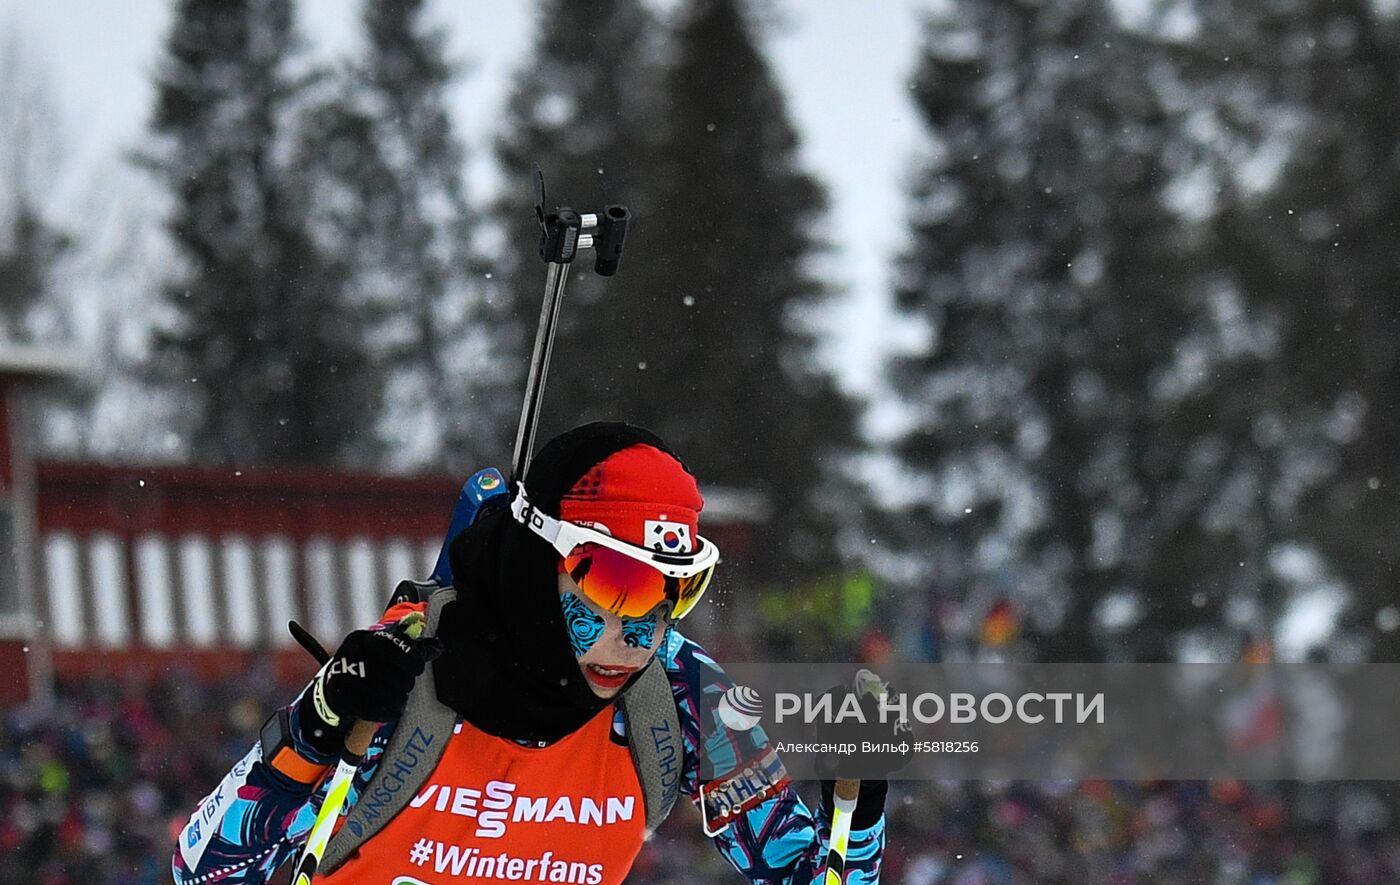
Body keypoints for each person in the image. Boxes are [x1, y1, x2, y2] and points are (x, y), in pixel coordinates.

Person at [172, 422, 887, 884]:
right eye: (614, 580)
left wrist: (862, 808)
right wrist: (316, 729)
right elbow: (200, 871)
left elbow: (808, 874)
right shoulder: (403, 675)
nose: (635, 633)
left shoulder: (680, 692)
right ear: (538, 559)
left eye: (673, 589)